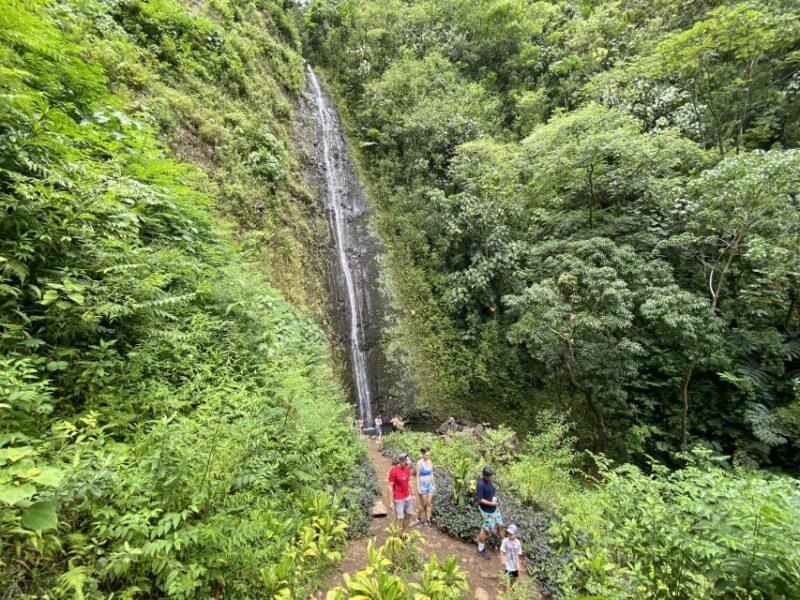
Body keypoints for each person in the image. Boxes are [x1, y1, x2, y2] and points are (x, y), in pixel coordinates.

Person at [475, 466, 505, 559]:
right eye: (488, 477)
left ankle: (504, 545)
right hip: (487, 511)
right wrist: (491, 503)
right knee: (485, 530)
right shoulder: (480, 484)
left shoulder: (489, 481)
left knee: (500, 525)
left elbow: (490, 493)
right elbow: (479, 500)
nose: (490, 478)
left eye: (491, 476)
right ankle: (480, 550)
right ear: (484, 475)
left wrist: (494, 498)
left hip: (494, 509)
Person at [388, 452, 414, 535]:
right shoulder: (394, 471)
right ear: (401, 461)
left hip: (407, 495)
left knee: (409, 514)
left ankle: (404, 534)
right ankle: (395, 536)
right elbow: (390, 486)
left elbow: (409, 480)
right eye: (405, 463)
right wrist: (391, 502)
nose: (407, 465)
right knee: (400, 518)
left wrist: (412, 493)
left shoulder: (407, 468)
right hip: (398, 498)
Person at [415, 447, 435, 528]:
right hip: (422, 485)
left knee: (429, 503)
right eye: (426, 455)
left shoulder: (430, 462)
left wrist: (434, 483)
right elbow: (417, 476)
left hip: (429, 484)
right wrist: (418, 487)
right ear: (423, 455)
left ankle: (428, 520)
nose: (428, 457)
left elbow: (431, 473)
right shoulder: (419, 463)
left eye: (429, 455)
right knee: (424, 504)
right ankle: (418, 517)